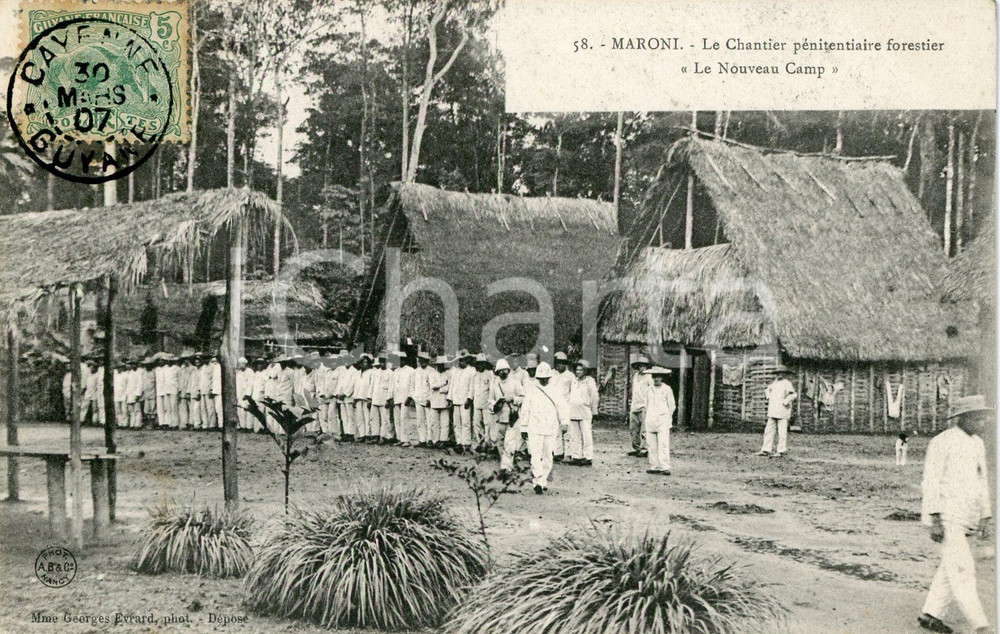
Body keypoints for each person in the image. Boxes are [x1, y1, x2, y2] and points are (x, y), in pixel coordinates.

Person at [917, 395, 993, 634]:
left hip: (968, 516)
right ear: (962, 418)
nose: (981, 423)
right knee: (963, 571)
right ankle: (981, 626)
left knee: (951, 567)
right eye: (977, 418)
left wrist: (985, 515)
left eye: (983, 418)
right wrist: (935, 519)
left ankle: (930, 614)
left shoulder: (977, 443)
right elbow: (931, 482)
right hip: (947, 517)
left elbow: (981, 481)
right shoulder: (942, 442)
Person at [519, 362, 569, 494]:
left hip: (550, 427)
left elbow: (562, 407)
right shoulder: (531, 390)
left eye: (546, 378)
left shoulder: (555, 390)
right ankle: (539, 481)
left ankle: (542, 480)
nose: (543, 380)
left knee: (548, 456)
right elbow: (525, 409)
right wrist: (523, 427)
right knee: (535, 455)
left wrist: (564, 422)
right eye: (541, 378)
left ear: (549, 377)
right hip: (534, 427)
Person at [490, 358, 524, 473]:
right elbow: (490, 401)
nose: (502, 372)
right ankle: (505, 462)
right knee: (499, 442)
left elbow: (523, 397)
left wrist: (513, 398)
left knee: (509, 443)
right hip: (499, 417)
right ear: (497, 372)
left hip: (511, 417)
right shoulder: (495, 385)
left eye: (504, 370)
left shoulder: (515, 382)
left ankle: (506, 468)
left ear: (508, 370)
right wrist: (495, 405)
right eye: (500, 370)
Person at [644, 366, 676, 475]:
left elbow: (671, 405)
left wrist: (667, 417)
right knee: (651, 445)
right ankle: (654, 466)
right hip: (650, 420)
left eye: (658, 376)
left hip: (662, 420)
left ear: (662, 377)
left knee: (663, 444)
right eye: (654, 376)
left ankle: (665, 467)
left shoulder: (667, 389)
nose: (656, 379)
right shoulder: (649, 390)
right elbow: (646, 405)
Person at [759, 367, 798, 457]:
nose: (779, 375)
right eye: (777, 373)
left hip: (782, 410)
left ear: (784, 374)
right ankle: (766, 449)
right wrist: (770, 397)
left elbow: (793, 394)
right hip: (773, 409)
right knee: (768, 430)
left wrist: (786, 401)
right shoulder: (774, 383)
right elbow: (767, 390)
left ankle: (781, 451)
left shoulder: (787, 383)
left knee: (782, 431)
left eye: (781, 373)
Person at [566, 359, 599, 466]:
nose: (578, 372)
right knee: (574, 435)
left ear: (585, 371)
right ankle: (577, 456)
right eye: (577, 370)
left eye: (581, 370)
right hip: (573, 411)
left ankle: (588, 457)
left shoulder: (590, 381)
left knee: (586, 435)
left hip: (584, 411)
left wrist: (594, 411)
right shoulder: (573, 381)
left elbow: (594, 397)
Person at [449, 350, 476, 451]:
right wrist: (450, 398)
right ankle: (459, 442)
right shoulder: (455, 371)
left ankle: (466, 442)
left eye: (464, 360)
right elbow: (452, 385)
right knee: (457, 422)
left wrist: (469, 398)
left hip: (465, 400)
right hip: (456, 399)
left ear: (467, 360)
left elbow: (472, 386)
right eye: (460, 360)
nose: (462, 362)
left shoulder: (471, 371)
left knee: (466, 422)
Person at [551, 351, 574, 461]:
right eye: (558, 362)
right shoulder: (551, 374)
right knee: (555, 430)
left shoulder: (570, 376)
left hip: (566, 405)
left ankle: (568, 453)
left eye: (562, 362)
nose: (560, 365)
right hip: (554, 405)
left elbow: (573, 391)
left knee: (567, 431)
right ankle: (557, 452)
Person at [627, 354, 651, 457]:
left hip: (644, 405)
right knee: (633, 428)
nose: (642, 368)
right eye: (640, 366)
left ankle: (644, 448)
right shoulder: (635, 376)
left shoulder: (649, 377)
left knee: (644, 428)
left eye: (644, 366)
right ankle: (635, 447)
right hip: (635, 405)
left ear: (647, 366)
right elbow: (633, 390)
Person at [391, 352, 415, 446]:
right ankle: (399, 438)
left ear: (405, 360)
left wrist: (409, 397)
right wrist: (391, 397)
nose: (400, 361)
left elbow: (412, 385)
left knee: (404, 419)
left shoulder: (410, 370)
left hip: (405, 398)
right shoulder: (396, 371)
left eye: (402, 359)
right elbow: (393, 385)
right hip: (397, 397)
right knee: (397, 419)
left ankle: (406, 440)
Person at [471, 354, 494, 449]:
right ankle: (479, 442)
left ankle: (487, 443)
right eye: (478, 364)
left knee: (487, 423)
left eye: (482, 363)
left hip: (486, 403)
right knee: (476, 423)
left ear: (485, 364)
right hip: (477, 402)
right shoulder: (475, 375)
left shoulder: (489, 374)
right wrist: (470, 398)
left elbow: (492, 390)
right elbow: (472, 388)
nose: (480, 365)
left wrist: (490, 402)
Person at [428, 355, 452, 448]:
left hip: (444, 400)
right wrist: (443, 383)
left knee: (445, 422)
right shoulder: (432, 374)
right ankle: (435, 440)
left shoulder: (447, 374)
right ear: (436, 365)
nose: (440, 366)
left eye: (442, 364)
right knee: (434, 422)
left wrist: (442, 389)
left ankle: (443, 440)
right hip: (434, 400)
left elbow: (449, 386)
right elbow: (433, 386)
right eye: (439, 364)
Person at [411, 352, 432, 447]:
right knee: (420, 421)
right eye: (420, 360)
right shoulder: (415, 372)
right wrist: (414, 396)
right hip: (418, 399)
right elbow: (412, 386)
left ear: (427, 361)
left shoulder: (431, 371)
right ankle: (422, 440)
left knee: (430, 421)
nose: (421, 362)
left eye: (424, 360)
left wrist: (429, 399)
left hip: (427, 400)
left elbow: (432, 387)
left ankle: (430, 439)